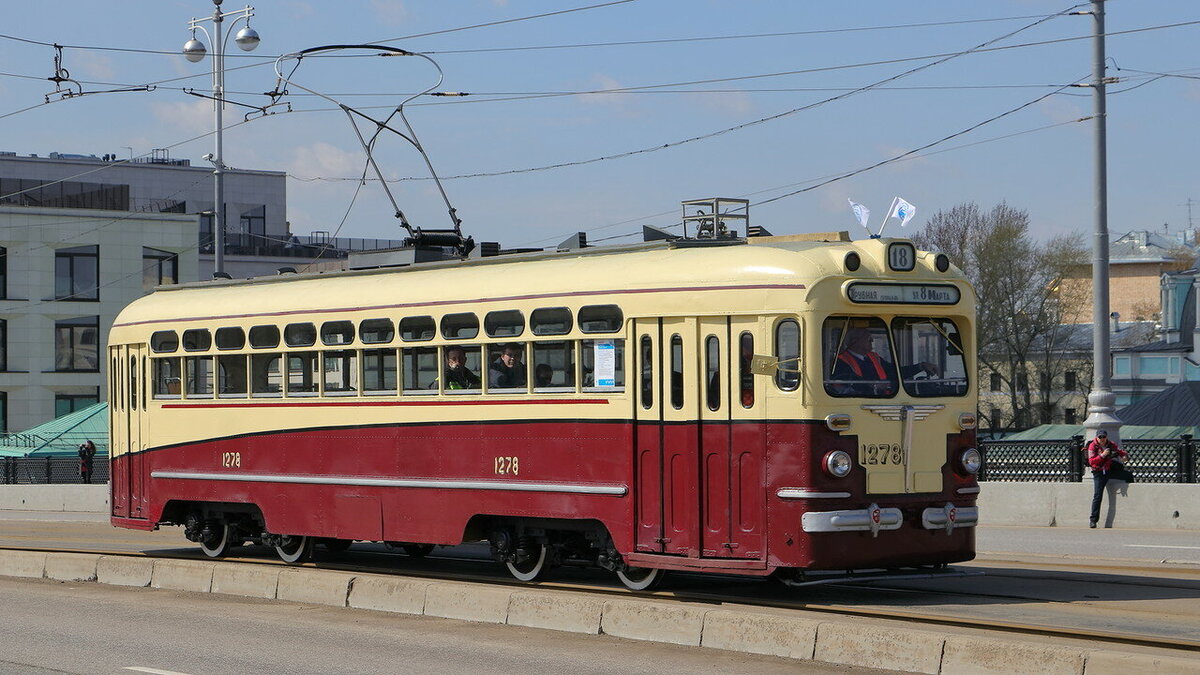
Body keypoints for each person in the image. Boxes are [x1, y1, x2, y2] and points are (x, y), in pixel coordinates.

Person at [831, 327, 938, 395]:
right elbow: (849, 381)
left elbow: (894, 372)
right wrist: (873, 386)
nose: (872, 341)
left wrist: (920, 366)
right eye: (868, 339)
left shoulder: (874, 357)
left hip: (885, 399)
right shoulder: (841, 361)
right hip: (858, 404)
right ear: (855, 342)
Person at [1086, 430, 1133, 528]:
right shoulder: (1093, 446)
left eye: (1104, 437)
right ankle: (1093, 520)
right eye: (1100, 437)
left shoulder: (1110, 444)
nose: (1102, 439)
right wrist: (1102, 455)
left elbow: (1120, 452)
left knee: (1128, 475)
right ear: (1097, 438)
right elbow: (1092, 462)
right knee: (1098, 496)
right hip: (1099, 472)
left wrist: (1125, 456)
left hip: (1109, 470)